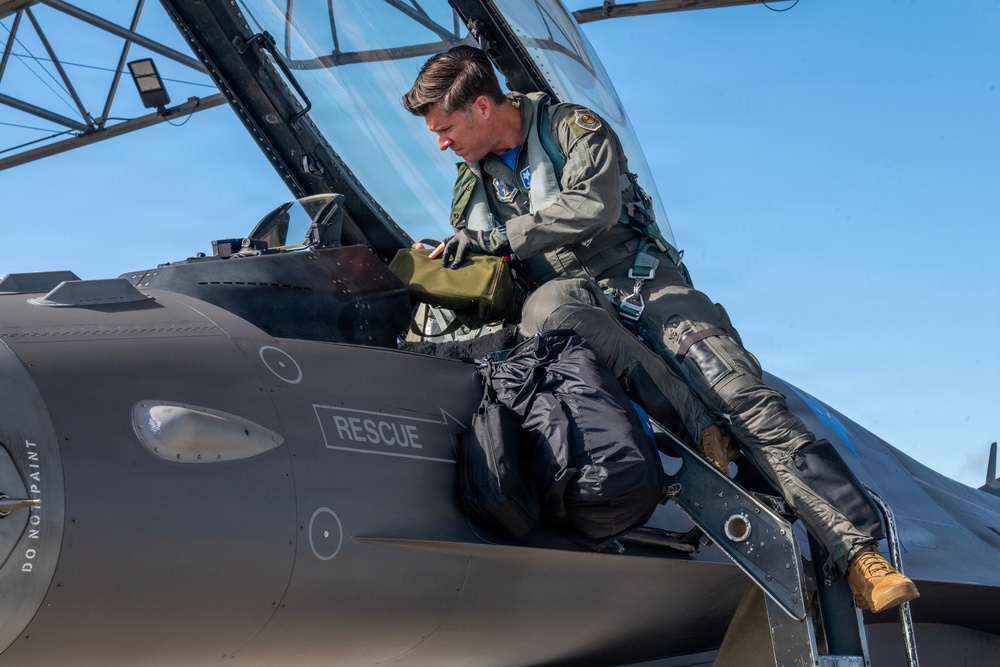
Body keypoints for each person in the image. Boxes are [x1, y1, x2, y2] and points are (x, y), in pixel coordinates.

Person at [402, 45, 918, 614]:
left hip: (638, 278)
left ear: (481, 106)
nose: (442, 143)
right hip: (568, 297)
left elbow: (593, 206)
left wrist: (497, 239)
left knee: (734, 388)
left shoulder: (573, 129)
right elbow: (489, 273)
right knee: (546, 314)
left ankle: (860, 553)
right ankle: (698, 428)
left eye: (446, 128)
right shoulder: (471, 186)